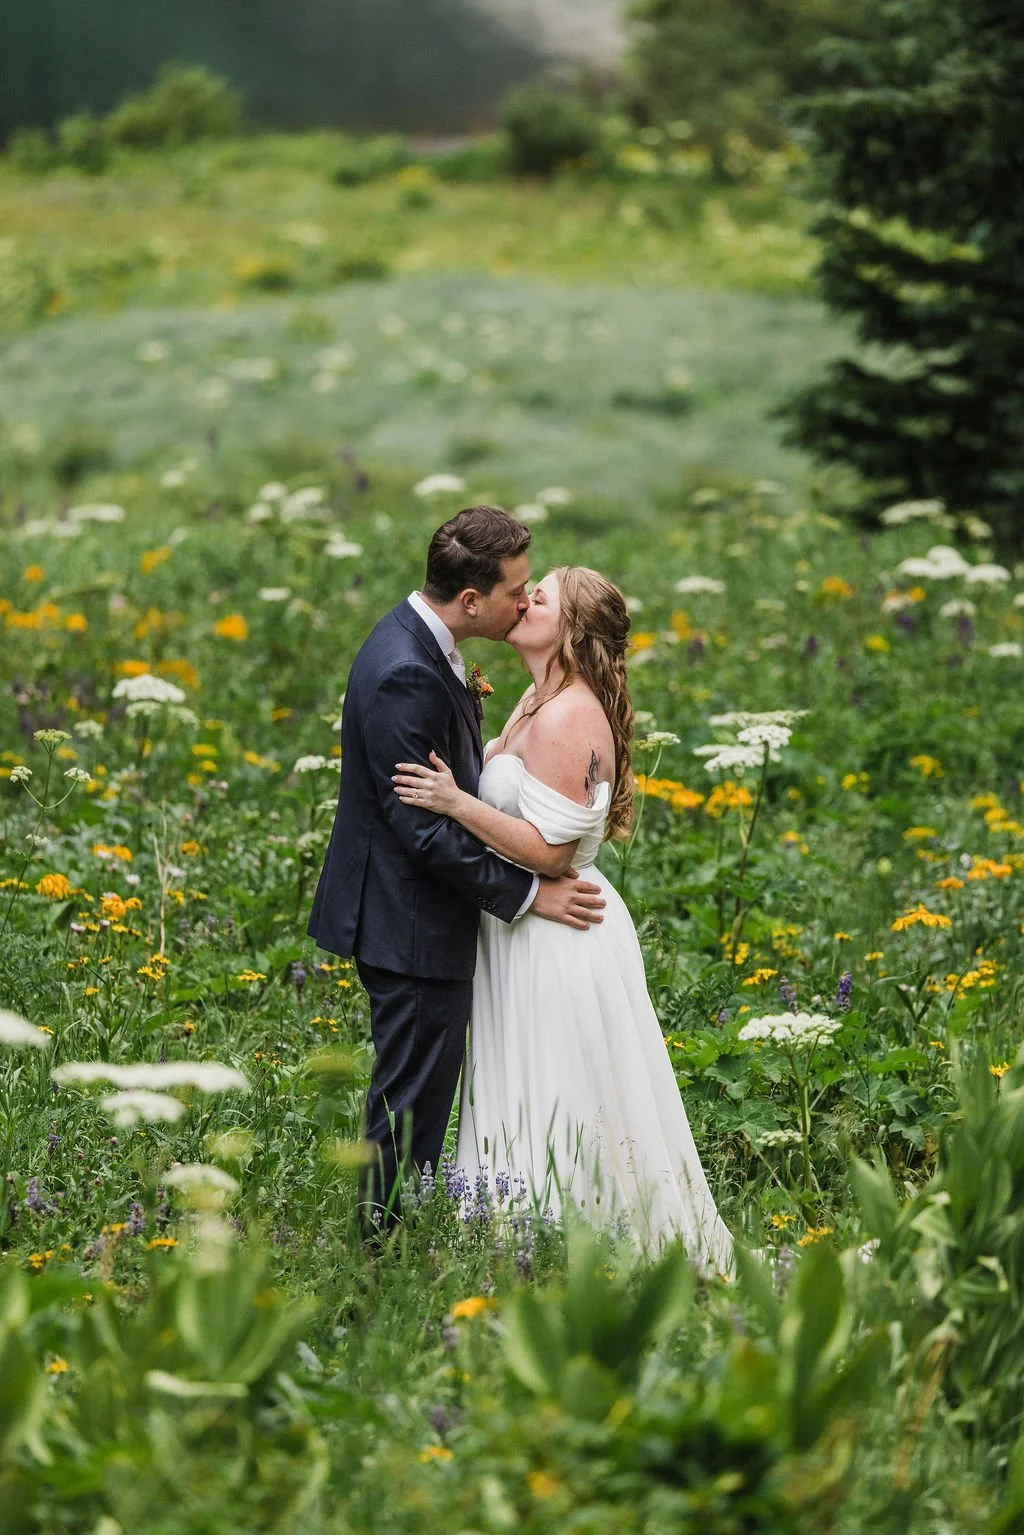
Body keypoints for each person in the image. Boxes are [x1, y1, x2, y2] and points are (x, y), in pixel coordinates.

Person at [393, 565, 733, 1267]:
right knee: (522, 1083)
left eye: (538, 596)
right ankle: (518, 1248)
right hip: (524, 929)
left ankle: (576, 1253)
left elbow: (551, 853)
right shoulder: (533, 696)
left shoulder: (572, 712)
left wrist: (457, 802)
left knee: (562, 1092)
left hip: (561, 931)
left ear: (571, 631)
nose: (522, 601)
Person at [307, 508, 606, 1228]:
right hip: (407, 921)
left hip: (420, 915)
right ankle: (379, 1258)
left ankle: (396, 1242)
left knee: (419, 1097)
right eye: (516, 590)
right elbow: (422, 833)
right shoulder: (405, 670)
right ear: (471, 601)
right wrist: (529, 892)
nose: (525, 602)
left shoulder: (425, 646)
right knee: (408, 1107)